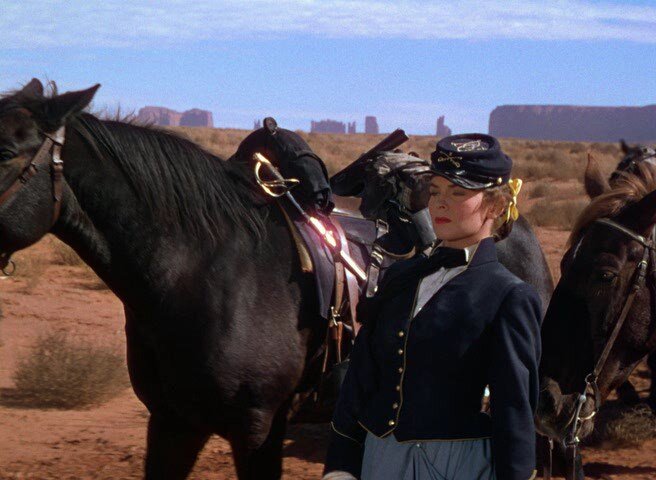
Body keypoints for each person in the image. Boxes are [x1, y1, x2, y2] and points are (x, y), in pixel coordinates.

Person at [322, 133, 542, 480]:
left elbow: (514, 410)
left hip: (459, 466)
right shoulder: (401, 278)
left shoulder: (508, 296)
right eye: (436, 191)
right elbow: (360, 379)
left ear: (497, 205)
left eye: (458, 193)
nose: (440, 204)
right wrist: (341, 465)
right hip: (378, 460)